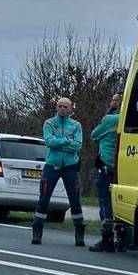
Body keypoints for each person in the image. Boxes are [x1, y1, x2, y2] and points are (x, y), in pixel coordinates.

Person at [31, 97, 85, 246]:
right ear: (56, 107)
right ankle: (37, 230)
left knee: (75, 200)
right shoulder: (49, 123)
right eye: (60, 106)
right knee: (44, 198)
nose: (62, 109)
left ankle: (79, 232)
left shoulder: (76, 125)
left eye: (65, 107)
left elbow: (78, 145)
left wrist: (59, 143)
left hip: (70, 166)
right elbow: (49, 142)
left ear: (71, 109)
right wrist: (66, 141)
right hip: (52, 165)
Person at [87, 94, 121, 252]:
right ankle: (123, 238)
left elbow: (94, 134)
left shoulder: (109, 119)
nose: (111, 102)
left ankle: (106, 238)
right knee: (120, 203)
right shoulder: (130, 118)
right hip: (122, 166)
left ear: (118, 102)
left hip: (106, 164)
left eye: (113, 100)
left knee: (105, 202)